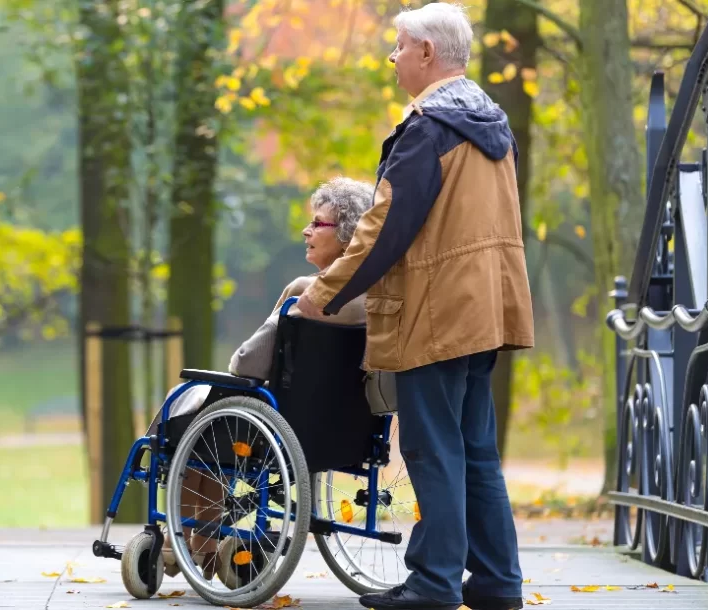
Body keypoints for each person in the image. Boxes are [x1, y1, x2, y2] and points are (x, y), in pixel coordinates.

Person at [295, 3, 534, 610]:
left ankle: (432, 583)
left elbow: (381, 228)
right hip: (487, 307)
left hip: (436, 311)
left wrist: (323, 294)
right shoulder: (492, 126)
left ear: (428, 52)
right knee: (476, 449)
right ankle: (498, 583)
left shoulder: (429, 129)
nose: (392, 57)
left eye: (399, 46)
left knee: (432, 449)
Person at [156, 176, 397, 579]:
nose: (306, 231)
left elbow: (247, 364)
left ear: (346, 236)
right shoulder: (381, 299)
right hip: (348, 435)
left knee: (192, 408)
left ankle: (180, 540)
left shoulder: (307, 292)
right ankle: (198, 543)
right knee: (213, 418)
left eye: (317, 224)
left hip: (280, 429)